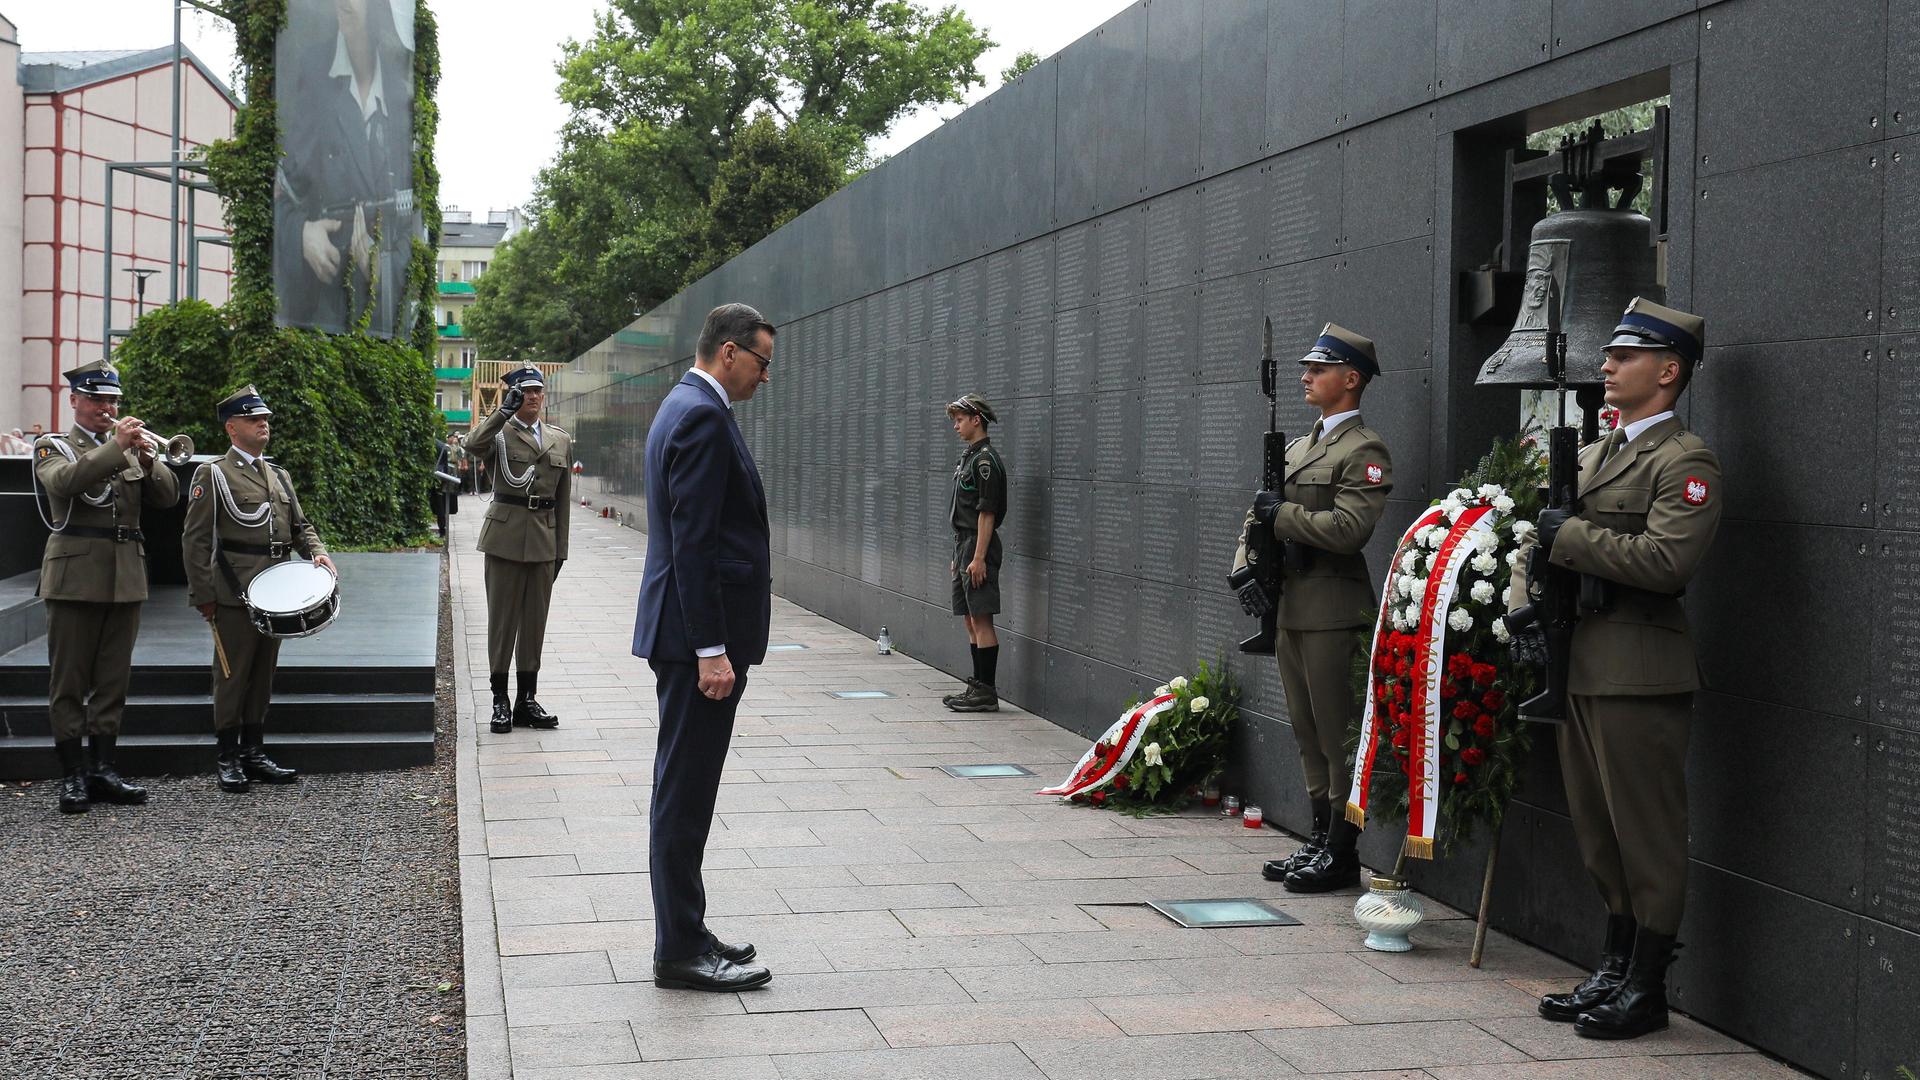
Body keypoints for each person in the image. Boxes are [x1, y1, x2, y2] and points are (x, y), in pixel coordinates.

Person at [1511, 298, 1720, 1040]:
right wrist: (1524, 609)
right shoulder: (1595, 454)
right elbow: (1541, 549)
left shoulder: (1684, 461)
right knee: (1601, 834)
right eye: (1609, 354)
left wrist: (1569, 537)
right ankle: (1615, 963)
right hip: (1579, 664)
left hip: (1639, 670)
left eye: (1624, 356)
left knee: (1646, 835)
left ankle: (1648, 987)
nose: (1607, 364)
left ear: (1667, 371)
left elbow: (1666, 563)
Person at [631, 303, 775, 993]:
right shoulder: (702, 415)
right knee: (685, 793)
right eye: (761, 362)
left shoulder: (684, 404)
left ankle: (686, 927)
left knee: (683, 787)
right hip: (696, 644)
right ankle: (679, 950)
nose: (764, 376)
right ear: (727, 352)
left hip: (686, 636)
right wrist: (710, 649)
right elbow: (693, 545)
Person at [1232, 323, 1393, 893]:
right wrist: (1245, 566)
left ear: (1351, 380)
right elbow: (1258, 514)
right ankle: (1321, 836)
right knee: (1305, 731)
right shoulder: (1299, 447)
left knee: (1337, 734)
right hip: (1291, 609)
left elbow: (1350, 530)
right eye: (1307, 368)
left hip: (1332, 610)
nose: (1306, 376)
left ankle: (1344, 852)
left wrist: (1282, 518)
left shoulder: (1364, 449)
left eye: (1319, 369)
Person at [30, 360, 180, 813]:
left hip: (125, 573)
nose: (107, 407)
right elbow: (66, 482)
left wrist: (150, 461)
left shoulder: (132, 449)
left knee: (114, 680)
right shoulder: (52, 445)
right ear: (74, 400)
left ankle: (104, 768)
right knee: (70, 678)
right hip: (74, 573)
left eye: (113, 399)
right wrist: (116, 448)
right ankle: (73, 774)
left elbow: (168, 497)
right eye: (97, 398)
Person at [183, 386, 335, 793]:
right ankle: (227, 757)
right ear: (233, 428)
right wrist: (204, 595)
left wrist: (317, 554)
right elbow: (195, 540)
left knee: (262, 676)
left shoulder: (278, 474)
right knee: (232, 676)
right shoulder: (213, 473)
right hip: (233, 592)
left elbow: (301, 527)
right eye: (254, 419)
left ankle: (254, 751)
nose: (263, 424)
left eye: (264, 418)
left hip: (277, 594)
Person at [273, 0, 416, 337]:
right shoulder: (315, 72)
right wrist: (301, 234)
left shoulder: (402, 90)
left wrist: (381, 266)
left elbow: (417, 227)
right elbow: (280, 196)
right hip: (319, 313)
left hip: (383, 328)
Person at [467, 367, 571, 734]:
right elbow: (471, 445)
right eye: (524, 391)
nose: (532, 396)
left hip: (543, 540)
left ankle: (527, 699)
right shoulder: (499, 433)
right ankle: (500, 701)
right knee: (502, 623)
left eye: (537, 390)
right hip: (505, 539)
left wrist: (561, 551)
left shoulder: (559, 440)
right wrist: (501, 412)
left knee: (533, 626)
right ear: (513, 394)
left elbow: (563, 500)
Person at [938, 393, 1007, 713]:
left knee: (981, 618)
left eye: (960, 420)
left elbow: (987, 513)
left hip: (977, 545)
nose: (956, 426)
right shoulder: (969, 457)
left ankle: (986, 690)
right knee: (969, 618)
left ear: (976, 419)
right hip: (964, 545)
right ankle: (977, 686)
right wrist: (961, 555)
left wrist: (978, 558)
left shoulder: (984, 461)